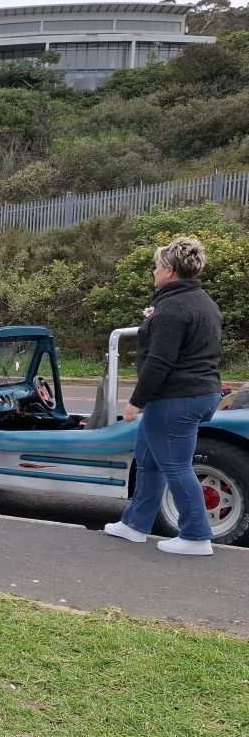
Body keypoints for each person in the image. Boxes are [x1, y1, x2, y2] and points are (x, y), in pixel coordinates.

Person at [104, 237, 222, 556]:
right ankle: (135, 524)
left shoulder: (172, 307)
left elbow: (160, 360)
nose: (154, 272)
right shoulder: (203, 302)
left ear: (169, 270)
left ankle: (197, 535)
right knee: (149, 459)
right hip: (197, 392)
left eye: (156, 267)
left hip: (176, 398)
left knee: (176, 466)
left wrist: (136, 401)